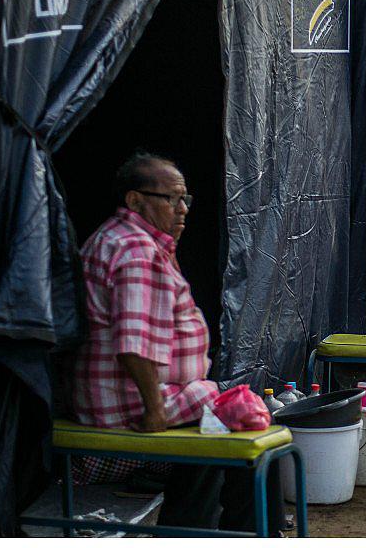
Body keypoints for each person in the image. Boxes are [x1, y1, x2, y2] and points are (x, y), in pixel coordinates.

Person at [70, 153, 283, 535]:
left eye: (186, 199)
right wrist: (154, 412)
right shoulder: (137, 252)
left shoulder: (120, 239)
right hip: (134, 407)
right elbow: (134, 344)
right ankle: (236, 534)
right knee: (250, 434)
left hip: (135, 398)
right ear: (136, 201)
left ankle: (213, 530)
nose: (183, 209)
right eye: (172, 199)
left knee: (229, 424)